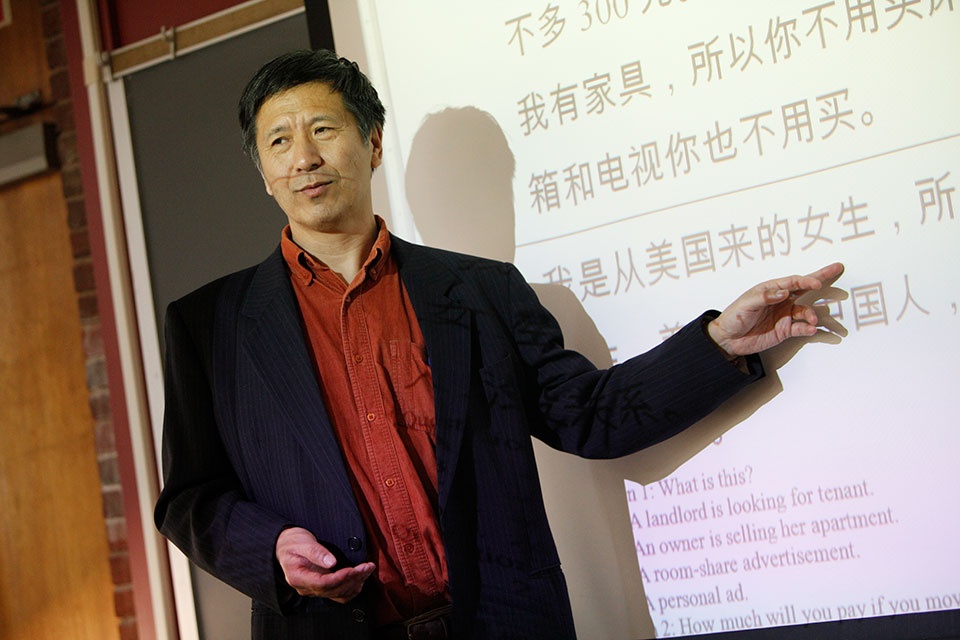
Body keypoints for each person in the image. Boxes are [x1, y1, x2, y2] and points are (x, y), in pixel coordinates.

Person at [154, 49, 843, 640]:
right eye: (278, 142)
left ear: (370, 144)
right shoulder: (210, 324)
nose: (303, 156)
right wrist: (270, 549)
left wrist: (721, 341)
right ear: (263, 171)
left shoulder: (483, 289)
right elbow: (189, 497)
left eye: (323, 129)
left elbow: (590, 415)